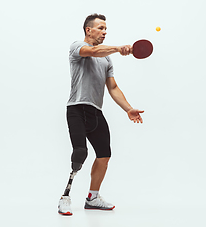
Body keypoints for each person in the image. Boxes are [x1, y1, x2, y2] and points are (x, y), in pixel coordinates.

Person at [58, 13, 144, 216]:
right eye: (101, 28)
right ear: (89, 30)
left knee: (104, 156)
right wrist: (117, 48)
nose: (105, 32)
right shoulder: (77, 47)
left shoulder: (107, 60)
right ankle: (65, 197)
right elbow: (92, 52)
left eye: (106, 29)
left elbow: (113, 87)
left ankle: (93, 197)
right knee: (80, 153)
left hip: (96, 112)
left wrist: (128, 108)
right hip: (77, 109)